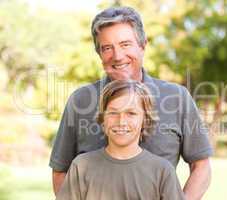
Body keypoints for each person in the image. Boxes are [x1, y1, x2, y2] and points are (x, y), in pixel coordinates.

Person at [50, 6, 213, 200]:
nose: (117, 56)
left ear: (143, 45)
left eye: (125, 44)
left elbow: (201, 166)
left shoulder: (177, 98)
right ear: (99, 54)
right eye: (107, 48)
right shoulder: (80, 100)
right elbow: (60, 171)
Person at [55, 80, 185, 200]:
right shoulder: (81, 166)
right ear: (102, 118)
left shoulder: (162, 171)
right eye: (113, 113)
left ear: (145, 120)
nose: (121, 121)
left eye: (131, 113)